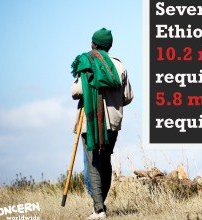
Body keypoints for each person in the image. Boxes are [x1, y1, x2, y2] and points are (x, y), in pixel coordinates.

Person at [71, 28, 133, 219]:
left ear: (94, 44)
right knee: (104, 161)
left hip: (89, 121)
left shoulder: (87, 62)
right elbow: (128, 96)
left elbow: (76, 92)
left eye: (92, 42)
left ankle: (99, 209)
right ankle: (100, 205)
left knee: (93, 164)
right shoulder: (120, 67)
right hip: (113, 123)